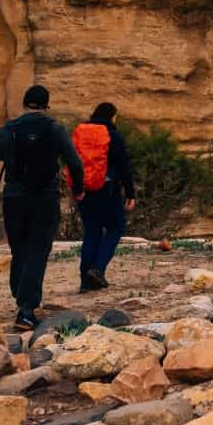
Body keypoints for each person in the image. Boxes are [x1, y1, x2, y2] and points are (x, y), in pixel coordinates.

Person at [0, 84, 84, 330]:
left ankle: (21, 296)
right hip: (45, 198)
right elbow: (74, 163)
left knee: (21, 249)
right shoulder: (54, 129)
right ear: (47, 106)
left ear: (24, 105)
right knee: (38, 250)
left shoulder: (7, 130)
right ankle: (26, 309)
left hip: (14, 198)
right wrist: (78, 189)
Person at [72, 103, 135, 292]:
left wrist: (76, 188)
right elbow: (124, 167)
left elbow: (71, 161)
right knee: (116, 228)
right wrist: (130, 193)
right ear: (112, 117)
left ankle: (85, 281)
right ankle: (97, 270)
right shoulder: (113, 136)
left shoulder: (81, 133)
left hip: (84, 190)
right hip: (107, 190)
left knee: (92, 232)